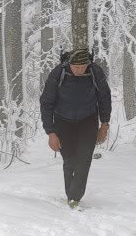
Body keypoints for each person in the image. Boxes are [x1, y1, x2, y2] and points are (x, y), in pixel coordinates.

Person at [40, 47, 112, 208]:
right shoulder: (58, 74)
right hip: (63, 122)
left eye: (83, 67)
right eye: (76, 67)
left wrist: (104, 125)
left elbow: (104, 98)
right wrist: (50, 132)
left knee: (84, 160)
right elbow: (46, 103)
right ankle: (70, 194)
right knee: (70, 161)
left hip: (88, 120)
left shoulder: (95, 72)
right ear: (69, 64)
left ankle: (75, 198)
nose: (80, 70)